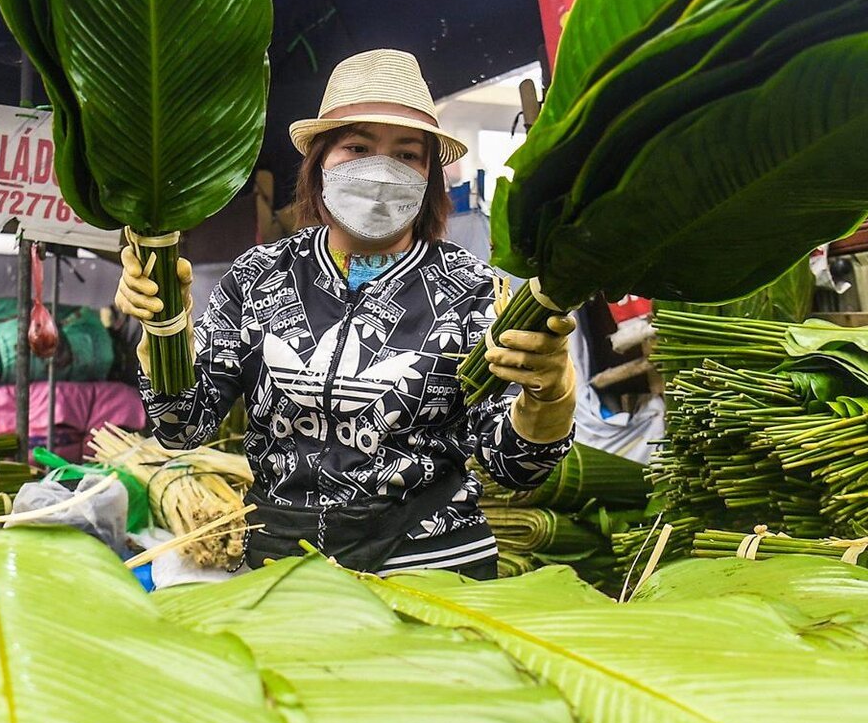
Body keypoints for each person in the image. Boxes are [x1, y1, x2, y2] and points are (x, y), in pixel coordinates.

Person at [115, 49, 577, 578]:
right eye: (357, 147)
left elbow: (517, 466)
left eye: (407, 155)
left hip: (431, 568)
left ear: (428, 175)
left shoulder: (474, 291)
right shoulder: (258, 276)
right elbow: (182, 429)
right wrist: (162, 330)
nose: (381, 171)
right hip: (283, 571)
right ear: (319, 161)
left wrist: (551, 392)